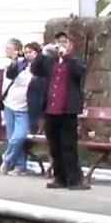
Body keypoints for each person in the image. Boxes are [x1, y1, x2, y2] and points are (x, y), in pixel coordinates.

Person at [31, 31, 89, 190]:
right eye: (58, 42)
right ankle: (60, 178)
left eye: (64, 41)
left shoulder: (76, 61)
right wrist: (42, 54)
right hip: (51, 110)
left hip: (68, 110)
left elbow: (80, 72)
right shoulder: (50, 61)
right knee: (54, 147)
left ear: (71, 44)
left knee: (68, 146)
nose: (61, 45)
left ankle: (75, 179)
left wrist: (67, 57)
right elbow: (35, 70)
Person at [0, 40, 35, 175]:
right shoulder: (9, 66)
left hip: (23, 107)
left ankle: (7, 158)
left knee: (18, 136)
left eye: (9, 48)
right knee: (11, 136)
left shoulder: (27, 67)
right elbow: (5, 86)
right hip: (9, 104)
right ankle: (20, 166)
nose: (6, 50)